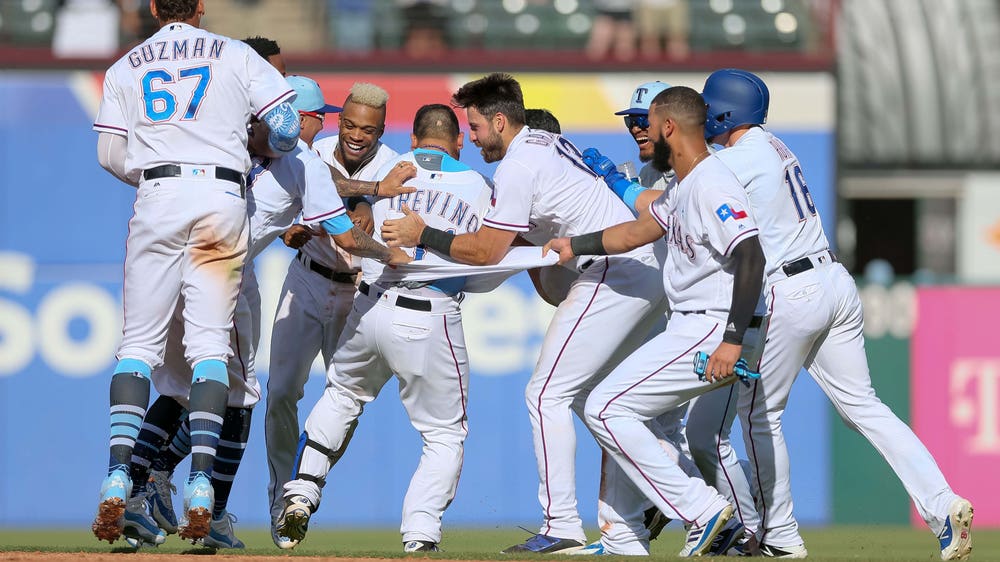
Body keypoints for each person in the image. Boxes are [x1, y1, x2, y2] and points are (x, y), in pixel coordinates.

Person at [119, 73, 410, 550]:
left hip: (170, 260)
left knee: (177, 386)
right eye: (330, 120)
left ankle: (140, 485)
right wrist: (384, 239)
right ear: (309, 119)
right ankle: (181, 495)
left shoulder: (235, 142)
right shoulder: (302, 157)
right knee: (239, 396)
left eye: (366, 128)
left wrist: (368, 201)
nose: (345, 132)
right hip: (224, 273)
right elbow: (334, 202)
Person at [381, 73, 666, 554]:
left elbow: (489, 250)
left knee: (543, 396)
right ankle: (641, 513)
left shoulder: (518, 165)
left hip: (615, 269)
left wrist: (422, 234)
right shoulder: (545, 140)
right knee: (590, 399)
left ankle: (563, 524)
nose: (471, 139)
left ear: (498, 121)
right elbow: (533, 253)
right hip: (636, 269)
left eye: (474, 127)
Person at [700, 68, 974, 560]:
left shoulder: (736, 160)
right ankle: (942, 503)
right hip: (833, 280)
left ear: (724, 112)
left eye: (708, 107)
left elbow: (679, 204)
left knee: (759, 414)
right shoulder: (775, 146)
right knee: (864, 407)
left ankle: (778, 536)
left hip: (790, 287)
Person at [90, 0, 301, 544]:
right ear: (201, 7)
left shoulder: (125, 66)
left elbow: (110, 153)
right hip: (221, 194)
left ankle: (119, 474)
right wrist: (262, 148)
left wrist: (156, 174)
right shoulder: (234, 54)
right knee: (211, 349)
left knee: (137, 345)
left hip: (158, 192)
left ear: (154, 8)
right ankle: (202, 485)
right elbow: (285, 123)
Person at [545, 85, 766, 558]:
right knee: (615, 408)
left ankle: (704, 510)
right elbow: (635, 232)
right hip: (692, 326)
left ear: (669, 127)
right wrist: (574, 245)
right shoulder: (684, 185)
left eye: (649, 123)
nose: (639, 131)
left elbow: (750, 254)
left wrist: (731, 341)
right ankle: (667, 526)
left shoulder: (712, 182)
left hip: (711, 326)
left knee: (606, 407)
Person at [276, 104, 494, 552]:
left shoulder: (388, 171)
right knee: (443, 433)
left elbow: (350, 217)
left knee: (341, 395)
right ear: (458, 142)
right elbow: (486, 265)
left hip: (370, 304)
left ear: (413, 139)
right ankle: (419, 533)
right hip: (429, 310)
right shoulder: (477, 186)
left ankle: (300, 492)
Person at [265, 80, 416, 548]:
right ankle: (281, 499)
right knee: (281, 392)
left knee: (343, 401)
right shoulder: (319, 151)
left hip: (357, 292)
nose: (355, 134)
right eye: (348, 123)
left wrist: (373, 201)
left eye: (366, 128)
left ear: (381, 129)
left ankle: (306, 489)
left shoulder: (397, 165)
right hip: (309, 277)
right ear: (338, 120)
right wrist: (294, 230)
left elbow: (390, 215)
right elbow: (313, 188)